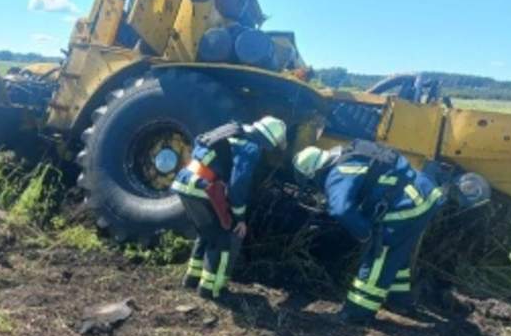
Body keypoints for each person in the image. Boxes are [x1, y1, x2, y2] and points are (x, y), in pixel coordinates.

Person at [292, 140, 445, 324]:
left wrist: (365, 234)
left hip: (406, 206)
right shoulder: (349, 155)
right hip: (424, 193)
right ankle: (399, 301)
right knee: (397, 253)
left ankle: (357, 313)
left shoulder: (337, 174)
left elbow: (341, 209)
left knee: (379, 255)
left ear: (313, 172)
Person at [172, 116, 287, 300]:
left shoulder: (230, 131)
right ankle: (212, 290)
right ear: (269, 139)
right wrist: (239, 218)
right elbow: (238, 185)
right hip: (204, 188)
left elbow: (199, 143)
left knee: (206, 233)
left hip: (185, 181)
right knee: (223, 239)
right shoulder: (250, 146)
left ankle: (192, 279)